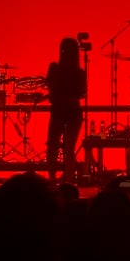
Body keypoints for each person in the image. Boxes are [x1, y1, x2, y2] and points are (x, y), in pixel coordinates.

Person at [45, 36, 87, 183]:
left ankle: (54, 178)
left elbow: (50, 87)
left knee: (54, 146)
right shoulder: (78, 72)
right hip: (70, 111)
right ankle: (66, 179)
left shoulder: (56, 68)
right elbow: (82, 93)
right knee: (66, 148)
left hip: (62, 111)